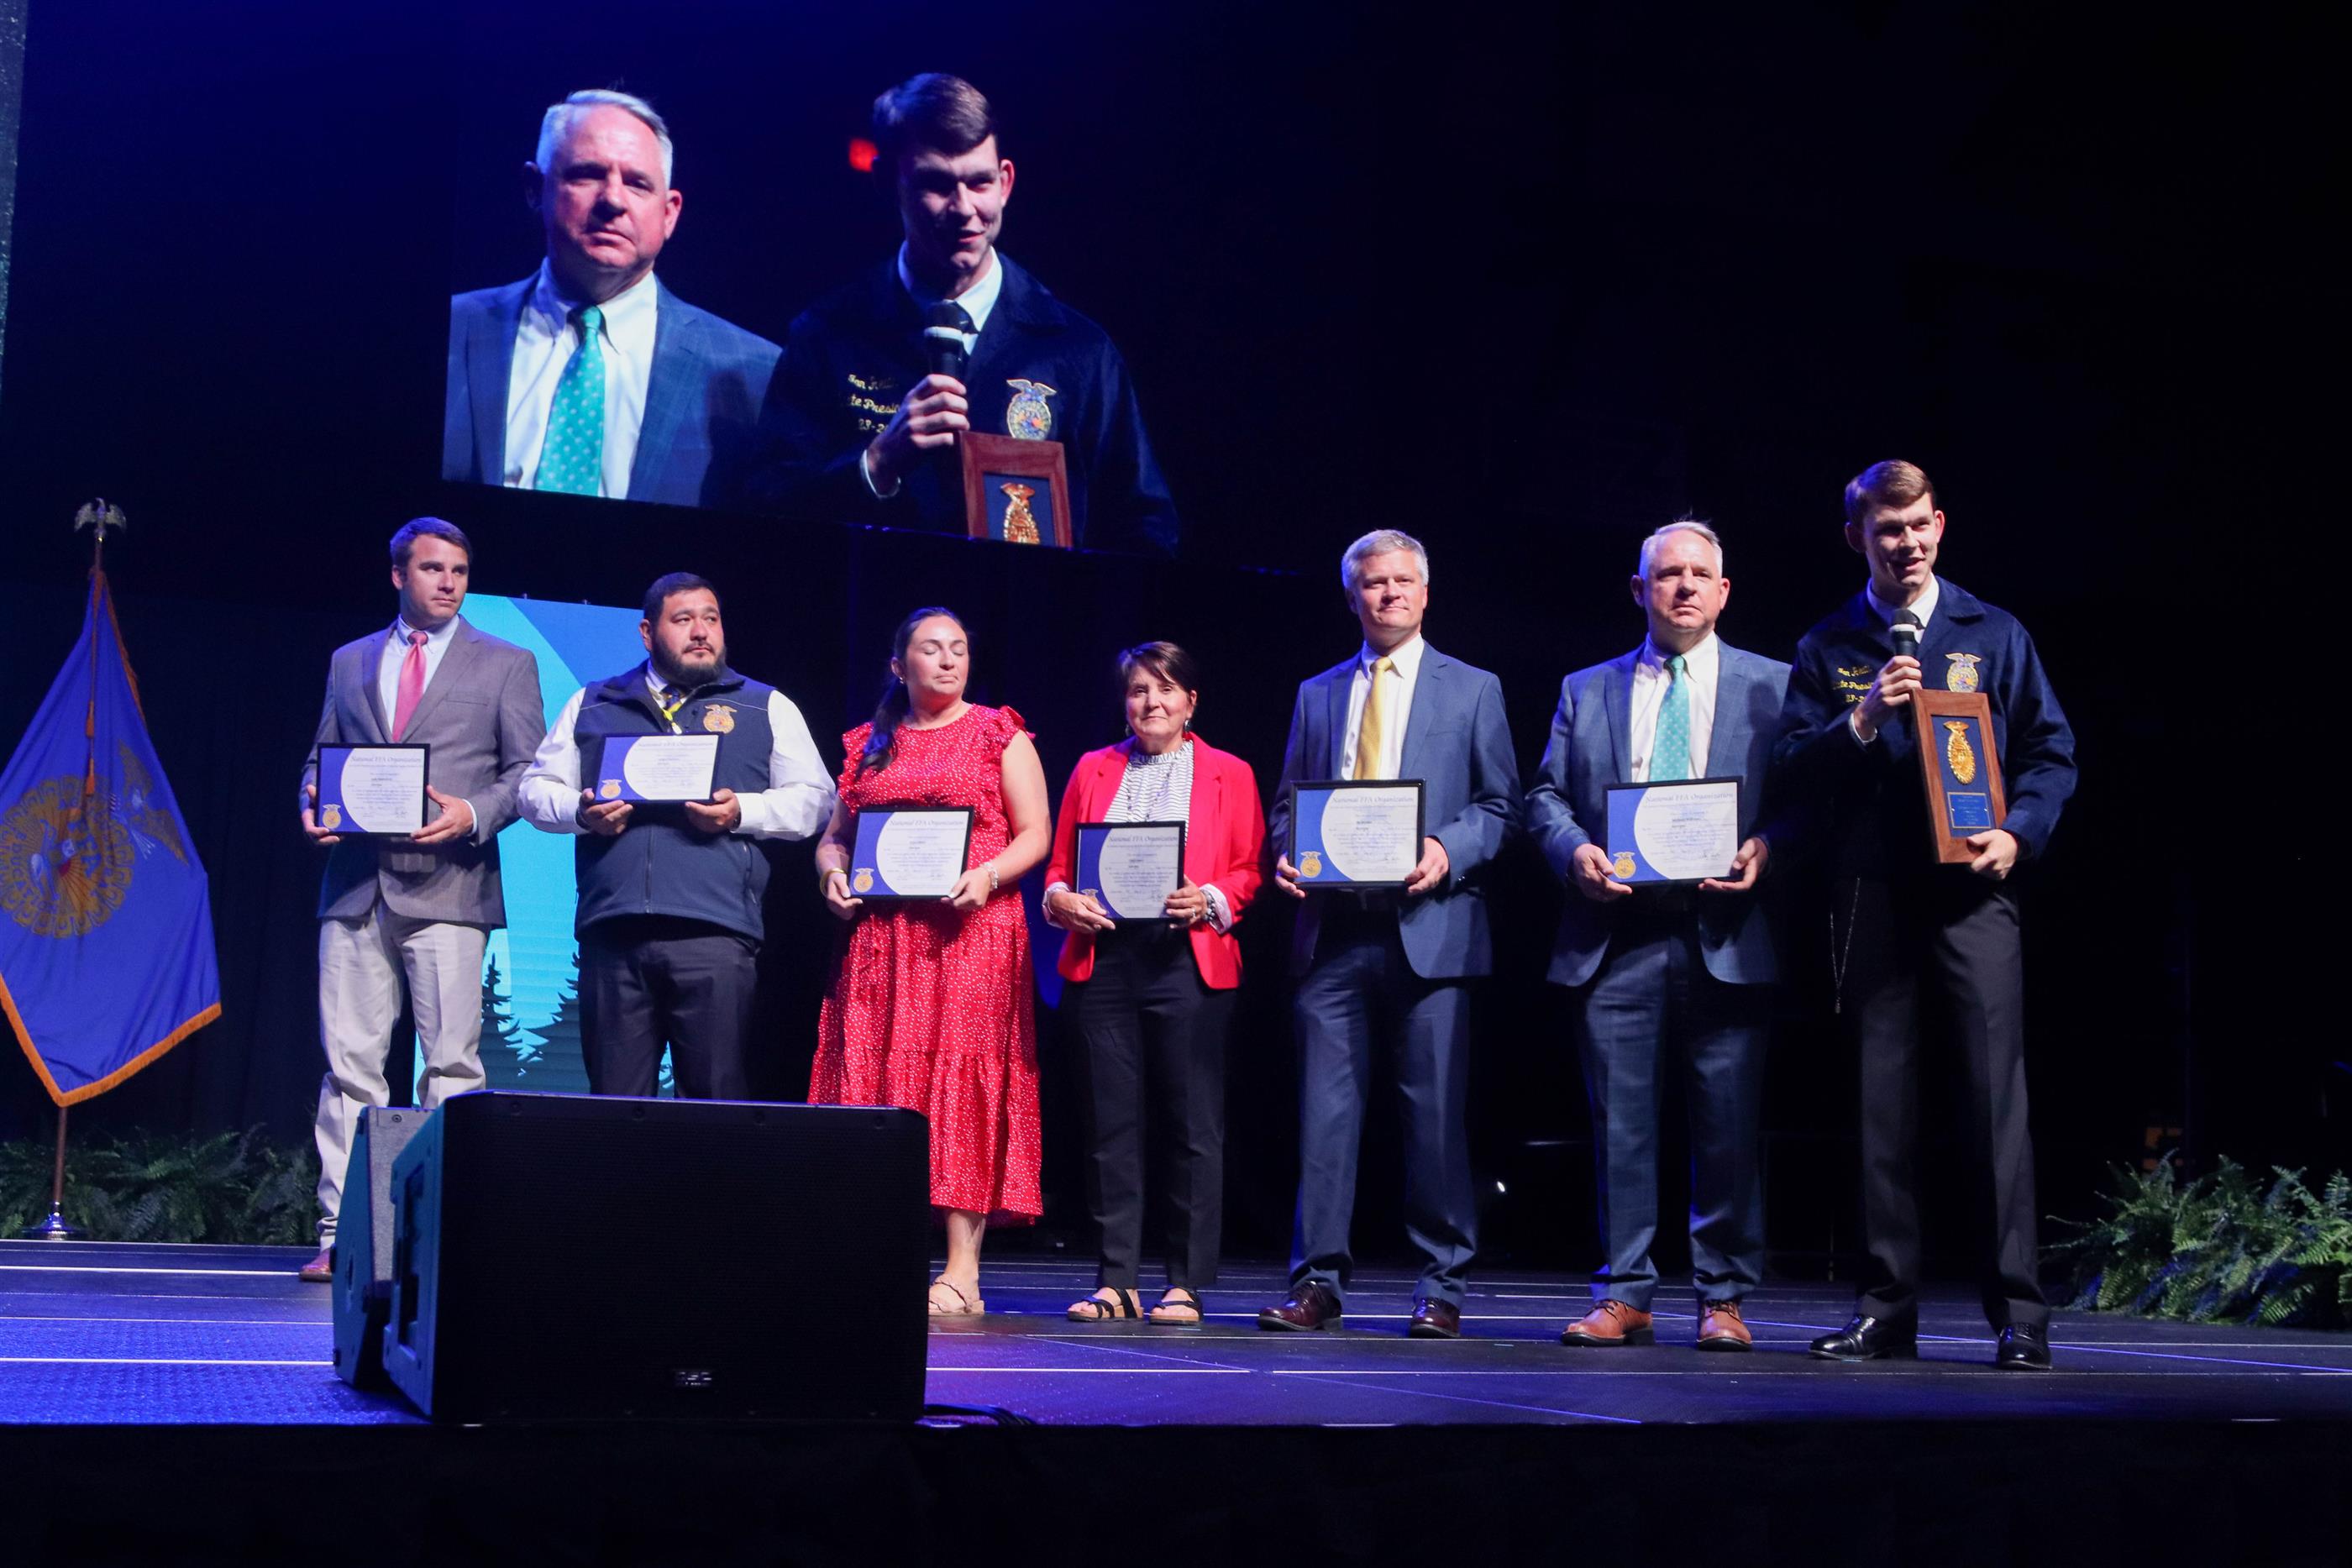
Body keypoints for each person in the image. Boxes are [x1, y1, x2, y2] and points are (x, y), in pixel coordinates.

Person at [1775, 459, 2076, 1370]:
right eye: (1885, 530)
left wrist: (2018, 834)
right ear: (1855, 537)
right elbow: (1791, 768)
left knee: (1992, 1105)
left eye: (1917, 527)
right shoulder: (1828, 644)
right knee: (1879, 1109)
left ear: (1939, 526)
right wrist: (1861, 719)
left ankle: (2019, 1314)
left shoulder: (1993, 632)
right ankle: (1885, 1309)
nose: (1904, 545)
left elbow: (2050, 753)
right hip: (1872, 897)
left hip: (1974, 895)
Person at [1524, 520, 1789, 1351]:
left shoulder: (1774, 685)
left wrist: (1767, 845)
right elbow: (1544, 796)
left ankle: (1723, 1297)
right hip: (1616, 936)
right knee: (1620, 1128)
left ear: (1724, 590)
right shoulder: (1585, 688)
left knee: (1728, 1127)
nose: (1683, 586)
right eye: (1667, 574)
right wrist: (1574, 852)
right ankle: (1624, 1293)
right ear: (1640, 590)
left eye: (1699, 574)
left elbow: (1805, 799)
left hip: (1724, 931)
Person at [1258, 530, 1520, 1337]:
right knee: (1324, 1120)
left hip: (1431, 932)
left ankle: (1442, 1285)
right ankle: (1316, 1284)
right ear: (1353, 596)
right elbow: (1287, 805)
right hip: (1333, 935)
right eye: (1374, 583)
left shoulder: (1473, 688)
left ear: (1426, 592)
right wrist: (1285, 853)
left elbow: (1500, 806)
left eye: (1404, 580)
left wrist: (1447, 848)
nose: (1390, 593)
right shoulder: (1316, 693)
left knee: (1434, 1122)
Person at [753, 73, 1179, 555]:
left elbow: (1146, 529)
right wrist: (877, 463)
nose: (963, 208)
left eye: (980, 182)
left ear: (1005, 182)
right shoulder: (826, 334)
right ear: (888, 183)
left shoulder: (1077, 349)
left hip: (1031, 605)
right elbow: (767, 507)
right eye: (936, 184)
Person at [297, 518, 544, 1282]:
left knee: (449, 1067)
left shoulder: (506, 662)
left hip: (450, 885)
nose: (449, 582)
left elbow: (528, 773)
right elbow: (323, 756)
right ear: (398, 574)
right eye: (434, 569)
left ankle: (439, 1236)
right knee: (349, 1069)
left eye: (460, 571)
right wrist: (311, 799)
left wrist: (471, 812)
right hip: (356, 885)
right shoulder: (350, 659)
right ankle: (343, 1231)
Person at [809, 609, 1053, 1316]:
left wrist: (990, 875)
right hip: (881, 942)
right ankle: (873, 1253)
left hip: (969, 933)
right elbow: (834, 838)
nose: (948, 660)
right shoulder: (869, 743)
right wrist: (831, 876)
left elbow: (1036, 831)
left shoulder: (999, 733)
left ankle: (962, 1269)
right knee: (876, 1085)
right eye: (931, 649)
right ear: (898, 664)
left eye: (959, 649)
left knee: (959, 1084)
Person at [516, 573, 833, 1098]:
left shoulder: (764, 705)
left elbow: (817, 800)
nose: (701, 631)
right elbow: (532, 791)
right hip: (614, 933)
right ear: (647, 633)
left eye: (711, 618)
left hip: (715, 933)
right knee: (615, 1107)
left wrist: (741, 811)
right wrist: (582, 812)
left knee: (714, 1105)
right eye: (683, 620)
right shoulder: (593, 703)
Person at [1042, 642, 1266, 1324]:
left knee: (1192, 1123)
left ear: (1190, 701)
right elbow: (1058, 868)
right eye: (1139, 690)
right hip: (1105, 958)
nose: (1151, 702)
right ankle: (1117, 1280)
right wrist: (1060, 898)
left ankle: (1185, 1283)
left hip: (1185, 957)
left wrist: (1211, 898)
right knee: (1109, 1123)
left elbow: (1249, 869)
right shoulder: (1092, 767)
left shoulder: (1230, 772)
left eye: (1165, 689)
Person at [444, 89, 780, 508]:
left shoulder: (756, 373)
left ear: (669, 213)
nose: (613, 201)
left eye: (637, 184)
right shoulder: (452, 329)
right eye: (587, 175)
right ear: (535, 189)